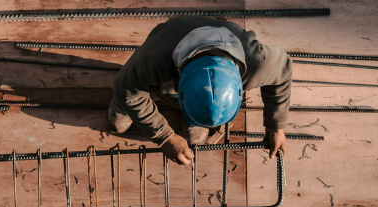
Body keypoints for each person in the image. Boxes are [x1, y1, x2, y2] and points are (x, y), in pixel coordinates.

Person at [108, 16, 292, 165]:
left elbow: (284, 71)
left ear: (240, 88)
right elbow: (126, 89)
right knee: (127, 99)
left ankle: (196, 115)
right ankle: (126, 103)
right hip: (161, 68)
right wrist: (165, 137)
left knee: (195, 138)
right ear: (181, 91)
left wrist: (276, 126)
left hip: (184, 77)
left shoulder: (258, 64)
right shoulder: (154, 60)